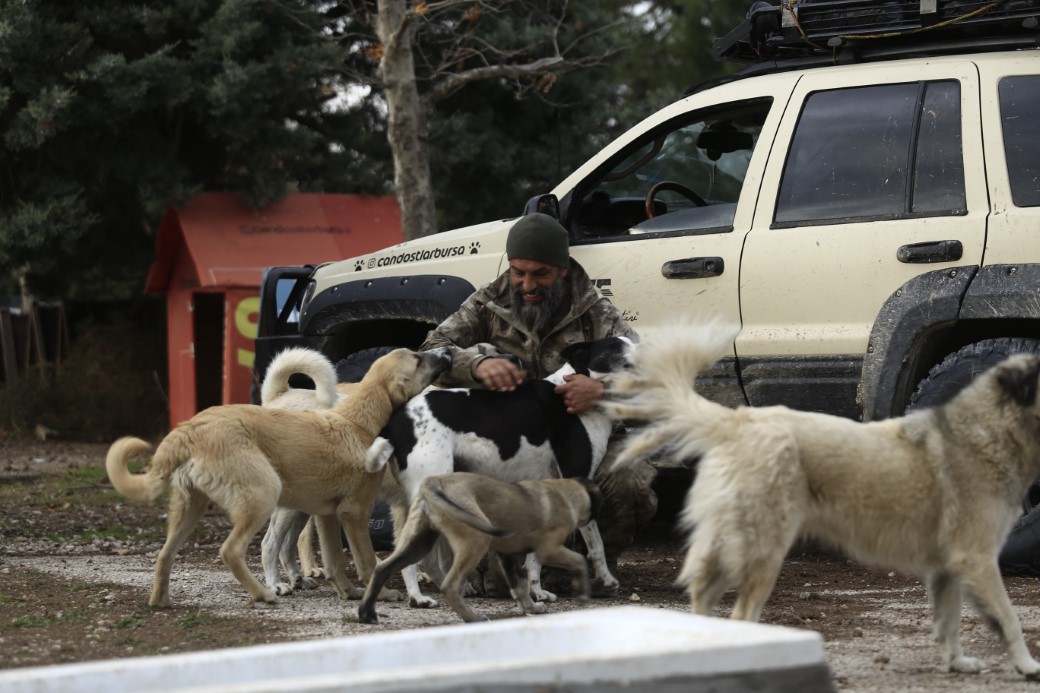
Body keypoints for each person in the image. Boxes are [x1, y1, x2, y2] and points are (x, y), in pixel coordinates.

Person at [420, 212, 658, 592]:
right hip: (507, 447)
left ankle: (583, 567)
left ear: (562, 270)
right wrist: (476, 365)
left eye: (540, 274)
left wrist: (602, 393)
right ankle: (508, 566)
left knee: (628, 480)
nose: (527, 285)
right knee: (497, 587)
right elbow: (429, 355)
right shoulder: (487, 303)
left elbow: (659, 384)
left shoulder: (598, 312)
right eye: (519, 272)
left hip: (581, 443)